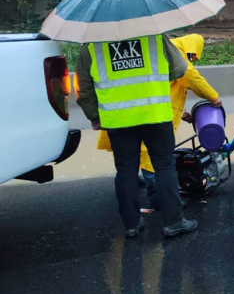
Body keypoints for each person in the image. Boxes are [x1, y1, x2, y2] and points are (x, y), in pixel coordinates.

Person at [76, 35, 198, 238]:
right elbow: (179, 69)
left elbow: (83, 88)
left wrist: (94, 116)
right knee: (164, 167)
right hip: (155, 115)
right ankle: (174, 222)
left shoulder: (91, 48)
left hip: (118, 120)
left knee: (125, 171)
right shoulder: (156, 38)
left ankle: (131, 224)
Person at [95, 35, 222, 207]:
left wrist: (182, 113)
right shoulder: (176, 52)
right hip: (152, 115)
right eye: (192, 56)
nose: (191, 60)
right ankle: (162, 201)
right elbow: (189, 76)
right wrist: (213, 97)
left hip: (127, 112)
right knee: (155, 157)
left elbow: (163, 86)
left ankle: (132, 202)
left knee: (131, 156)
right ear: (191, 48)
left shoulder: (153, 49)